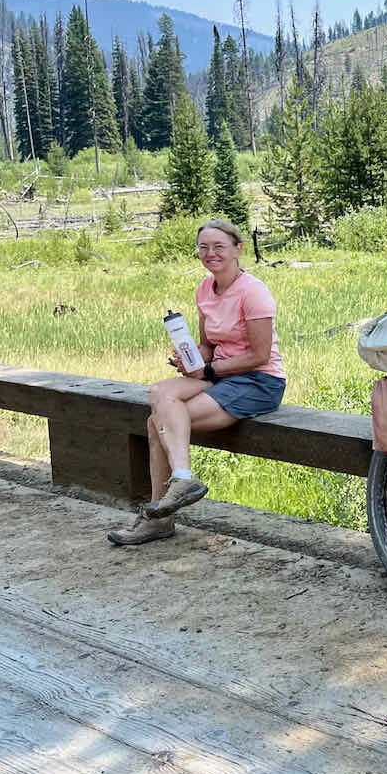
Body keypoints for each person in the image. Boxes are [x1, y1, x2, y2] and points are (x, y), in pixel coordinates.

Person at [108, 219, 286, 545]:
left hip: (258, 381)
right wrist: (190, 358)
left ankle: (169, 501)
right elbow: (209, 346)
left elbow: (260, 355)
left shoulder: (254, 292)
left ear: (238, 249)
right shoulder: (205, 289)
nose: (211, 253)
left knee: (156, 423)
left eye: (219, 246)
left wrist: (209, 372)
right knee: (160, 394)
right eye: (204, 247)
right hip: (220, 373)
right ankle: (169, 503)